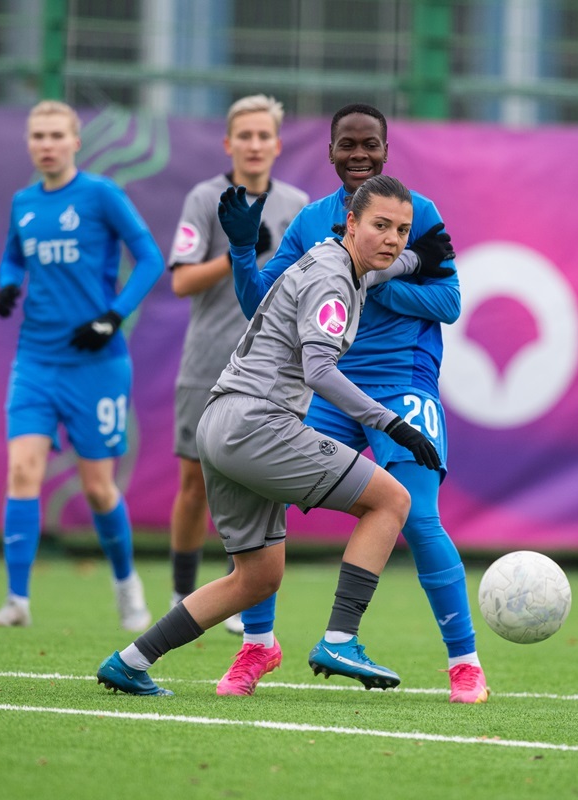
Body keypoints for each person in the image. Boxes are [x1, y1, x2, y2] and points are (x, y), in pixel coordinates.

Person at [95, 175, 455, 696]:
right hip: (259, 425)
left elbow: (380, 272)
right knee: (391, 502)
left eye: (402, 229)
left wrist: (419, 259)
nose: (394, 238)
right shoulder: (334, 279)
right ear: (351, 223)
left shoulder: (336, 259)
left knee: (256, 578)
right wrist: (390, 422)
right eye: (381, 225)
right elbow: (320, 371)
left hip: (221, 423)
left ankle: (130, 660)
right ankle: (340, 637)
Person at [219, 104, 489, 704]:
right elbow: (261, 305)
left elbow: (447, 301)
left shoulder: (415, 215)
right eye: (348, 145)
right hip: (330, 389)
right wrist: (241, 252)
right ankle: (258, 644)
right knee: (266, 501)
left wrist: (376, 278)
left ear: (386, 151)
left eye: (371, 144)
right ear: (332, 153)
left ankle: (465, 664)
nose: (359, 154)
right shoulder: (311, 221)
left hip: (404, 384)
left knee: (418, 518)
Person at [0, 100, 164, 632]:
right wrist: (8, 282)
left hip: (97, 364)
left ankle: (128, 589)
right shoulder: (24, 202)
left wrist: (113, 317)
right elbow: (15, 253)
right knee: (21, 471)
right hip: (35, 360)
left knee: (98, 488)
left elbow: (150, 258)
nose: (47, 144)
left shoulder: (102, 194)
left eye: (57, 134)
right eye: (38, 135)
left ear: (75, 141)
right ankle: (17, 601)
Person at [165, 95, 308, 634]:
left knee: (260, 483)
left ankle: (238, 593)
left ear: (276, 143)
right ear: (228, 143)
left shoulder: (297, 205)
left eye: (263, 135)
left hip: (271, 373)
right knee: (194, 484)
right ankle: (183, 592)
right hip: (207, 363)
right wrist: (236, 253)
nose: (253, 145)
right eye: (243, 135)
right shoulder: (205, 199)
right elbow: (180, 280)